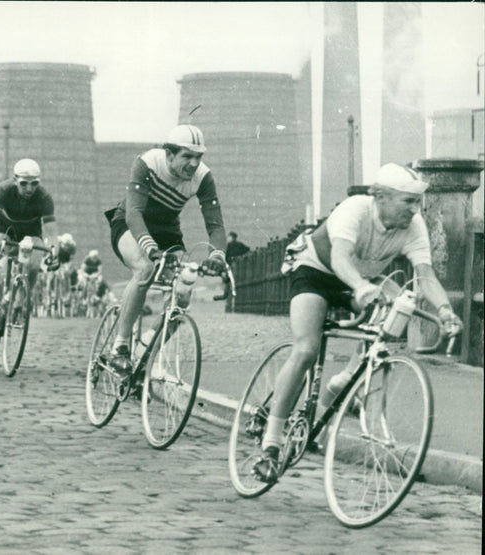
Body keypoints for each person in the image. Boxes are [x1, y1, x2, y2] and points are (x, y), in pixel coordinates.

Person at [252, 163, 464, 483]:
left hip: (360, 279)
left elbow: (426, 276)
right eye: (407, 201)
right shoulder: (355, 209)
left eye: (416, 202)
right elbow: (340, 257)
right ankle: (271, 441)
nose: (414, 210)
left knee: (396, 307)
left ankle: (345, 382)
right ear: (380, 196)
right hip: (315, 272)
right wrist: (362, 288)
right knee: (307, 349)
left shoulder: (414, 226)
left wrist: (446, 309)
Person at [103, 124, 228, 374]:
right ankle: (121, 346)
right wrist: (149, 248)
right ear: (169, 154)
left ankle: (145, 352)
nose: (194, 164)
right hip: (130, 224)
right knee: (145, 269)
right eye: (187, 156)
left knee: (183, 293)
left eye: (198, 157)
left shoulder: (203, 177)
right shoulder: (148, 163)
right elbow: (134, 213)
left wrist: (217, 254)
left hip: (167, 231)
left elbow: (216, 225)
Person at [0, 158, 59, 348]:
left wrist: (54, 254)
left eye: (34, 184)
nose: (29, 189)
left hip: (31, 232)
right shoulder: (3, 191)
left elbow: (52, 234)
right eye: (24, 184)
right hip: (5, 229)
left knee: (34, 265)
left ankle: (19, 300)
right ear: (15, 180)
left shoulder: (44, 198)